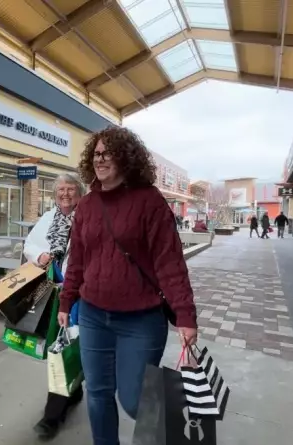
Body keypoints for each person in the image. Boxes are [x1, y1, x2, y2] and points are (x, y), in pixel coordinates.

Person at [58, 126, 198, 445]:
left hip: (141, 320)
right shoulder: (88, 205)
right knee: (98, 393)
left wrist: (186, 315)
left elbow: (170, 263)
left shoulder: (149, 201)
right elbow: (77, 259)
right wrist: (67, 302)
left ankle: (169, 431)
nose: (100, 159)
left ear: (126, 157)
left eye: (108, 153)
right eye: (96, 154)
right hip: (94, 316)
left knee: (135, 400)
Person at [22, 173, 87, 440]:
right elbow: (30, 245)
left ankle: (52, 416)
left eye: (71, 189)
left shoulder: (88, 217)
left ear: (80, 193)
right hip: (53, 293)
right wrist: (41, 255)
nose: (65, 194)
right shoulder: (49, 218)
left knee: (63, 347)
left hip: (80, 295)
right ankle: (74, 388)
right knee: (62, 346)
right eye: (61, 189)